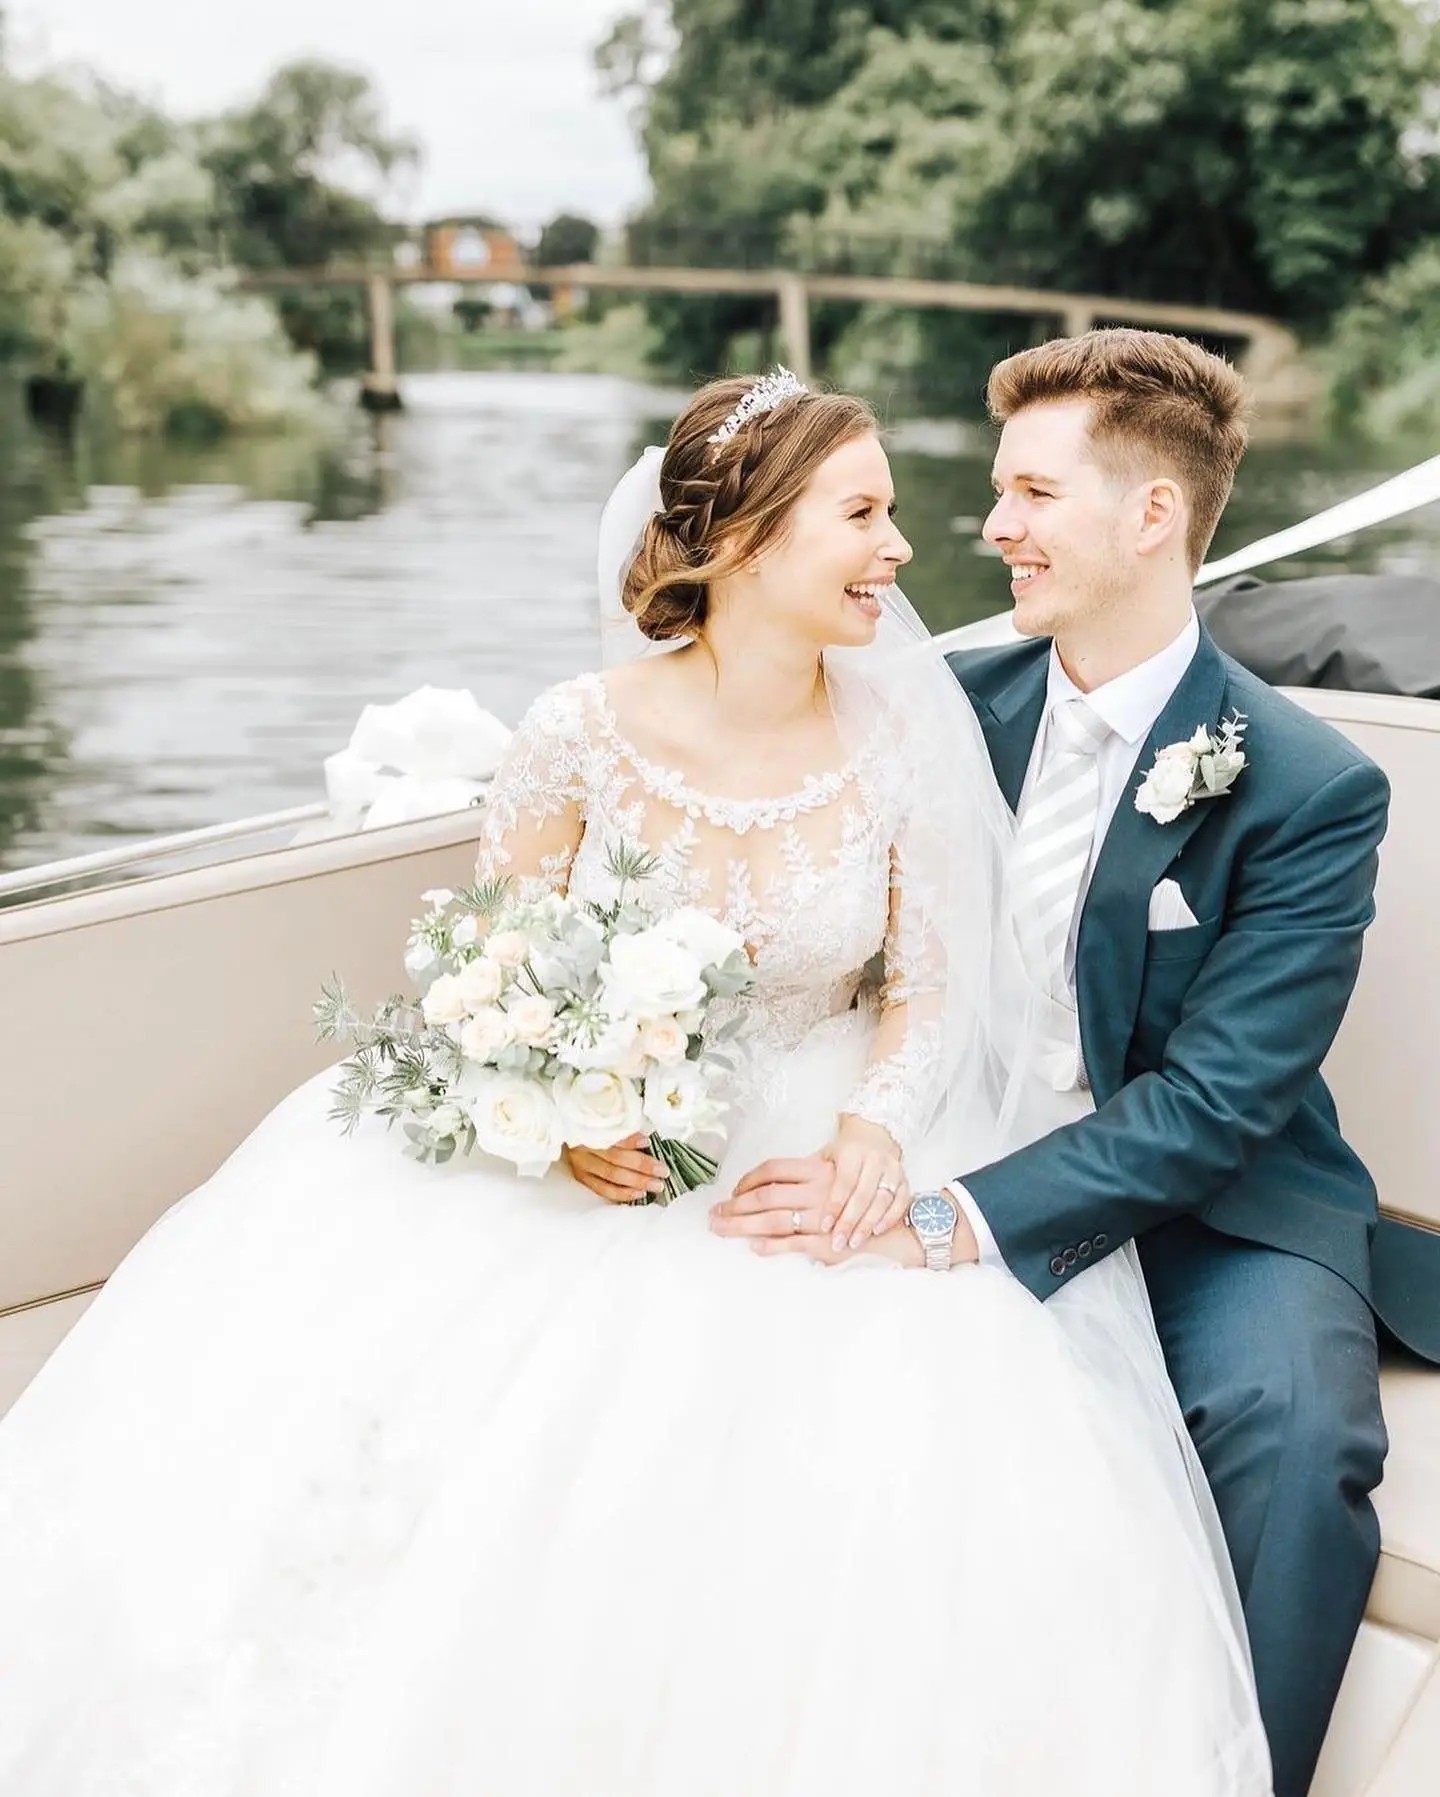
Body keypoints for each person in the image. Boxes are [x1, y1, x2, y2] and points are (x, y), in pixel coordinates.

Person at [0, 369, 1271, 1796]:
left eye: (897, 510)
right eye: (863, 513)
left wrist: (871, 1131)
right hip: (584, 1163)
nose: (905, 547)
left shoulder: (909, 732)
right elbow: (491, 976)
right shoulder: (574, 732)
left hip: (810, 1136)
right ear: (744, 539)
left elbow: (925, 986)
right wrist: (550, 1119)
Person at [715, 331, 1393, 1797]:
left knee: (1295, 1435)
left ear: (1151, 517)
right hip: (954, 1132)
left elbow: (1218, 1104)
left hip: (1220, 1209)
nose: (993, 528)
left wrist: (948, 1222)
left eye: (1030, 492)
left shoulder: (1308, 786)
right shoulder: (947, 704)